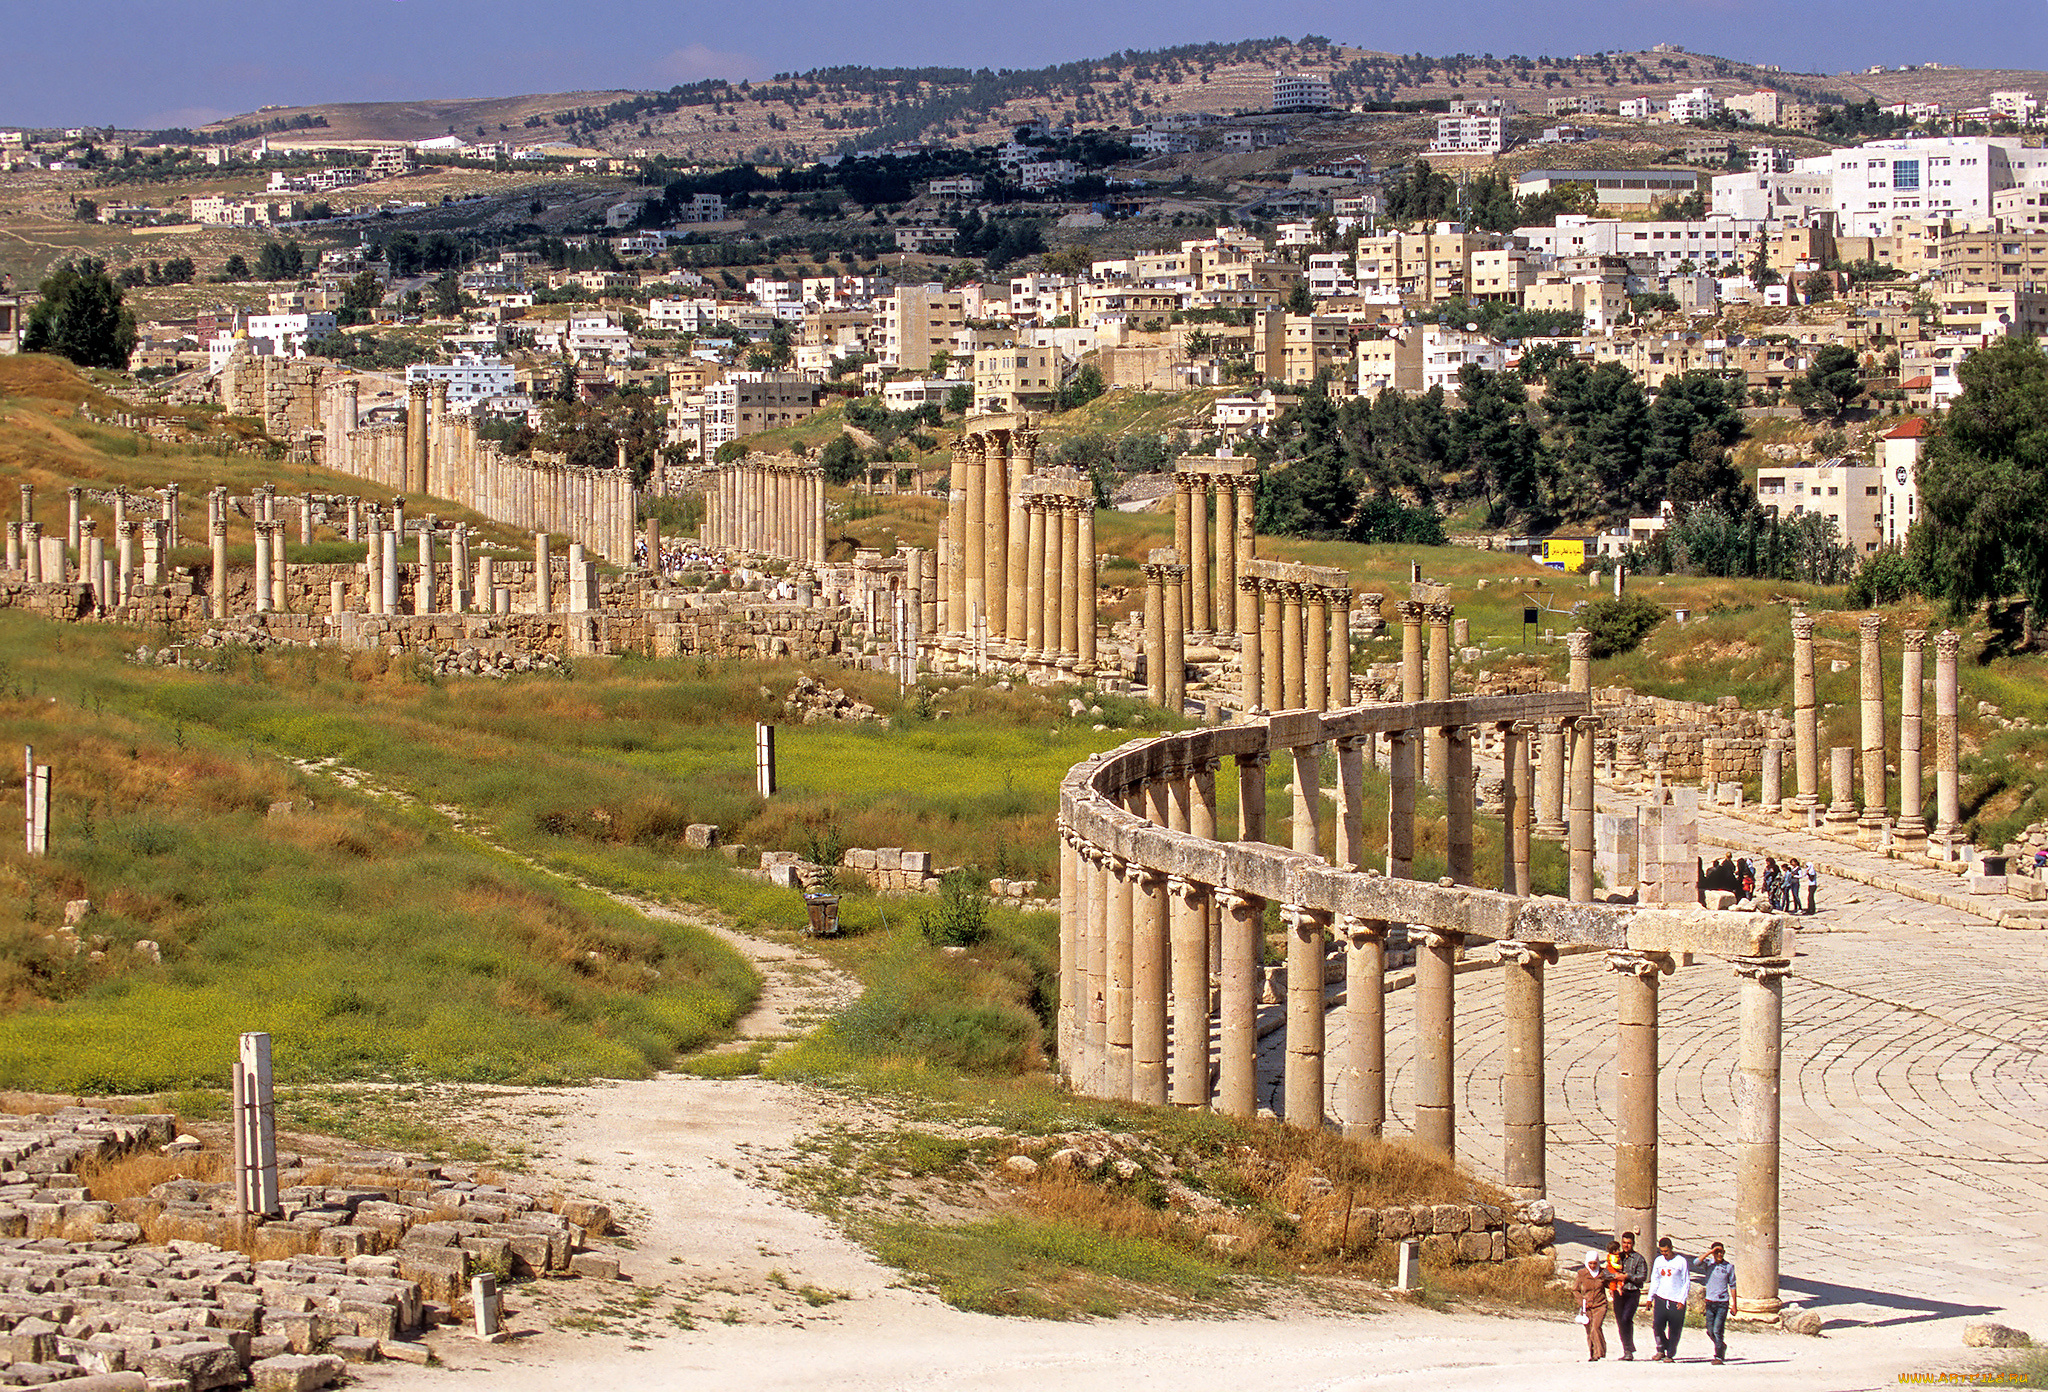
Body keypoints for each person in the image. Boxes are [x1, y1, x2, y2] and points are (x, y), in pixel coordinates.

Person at [1648, 1236, 1690, 1361]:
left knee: (1675, 1328)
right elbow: (1655, 1280)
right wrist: (1650, 1297)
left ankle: (1670, 1354)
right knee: (1657, 1325)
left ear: (1671, 1249)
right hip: (1661, 1298)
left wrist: (1682, 1300)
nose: (1664, 1254)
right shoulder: (1659, 1261)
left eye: (1666, 1251)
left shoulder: (1681, 1261)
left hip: (1675, 1300)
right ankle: (1661, 1348)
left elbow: (1686, 1282)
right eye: (1662, 1251)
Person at [1696, 1240, 1738, 1364]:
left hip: (1722, 1303)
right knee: (1710, 1331)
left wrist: (1734, 1304)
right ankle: (1721, 1346)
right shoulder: (1709, 1265)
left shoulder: (1729, 1267)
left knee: (1717, 1330)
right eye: (1717, 1252)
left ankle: (1719, 1356)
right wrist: (1710, 1252)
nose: (1720, 1254)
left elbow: (1733, 1285)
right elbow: (1696, 1262)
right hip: (1710, 1302)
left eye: (1721, 1252)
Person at [1612, 1231, 1649, 1360]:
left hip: (1632, 1292)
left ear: (1633, 1243)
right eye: (1624, 1243)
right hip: (1619, 1292)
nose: (1626, 1245)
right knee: (1620, 1321)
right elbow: (1609, 1271)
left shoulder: (1639, 1259)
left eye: (1628, 1243)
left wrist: (1627, 1276)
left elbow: (1642, 1277)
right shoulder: (1617, 1257)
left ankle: (1629, 1347)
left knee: (1626, 1318)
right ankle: (1627, 1349)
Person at [1573, 1250, 1610, 1361]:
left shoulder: (1603, 1273)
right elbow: (1575, 1290)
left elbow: (1609, 1284)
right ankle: (1593, 1353)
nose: (1593, 1266)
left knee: (1596, 1327)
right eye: (1590, 1263)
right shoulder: (1582, 1274)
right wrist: (1582, 1302)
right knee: (1589, 1330)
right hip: (1587, 1306)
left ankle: (1600, 1352)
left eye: (1595, 1263)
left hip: (1600, 1304)